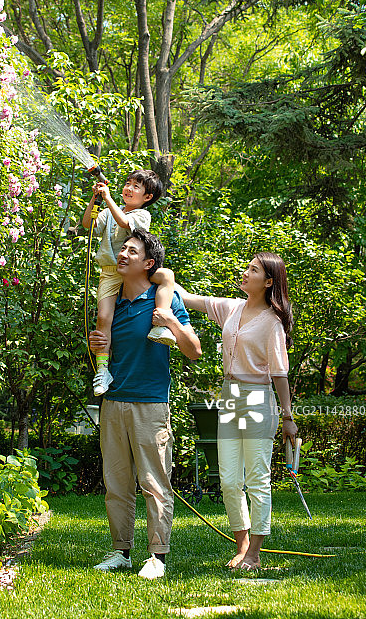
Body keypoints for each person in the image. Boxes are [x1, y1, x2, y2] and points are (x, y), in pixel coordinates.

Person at [89, 228, 201, 579]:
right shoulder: (111, 301)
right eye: (122, 249)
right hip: (114, 402)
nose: (122, 254)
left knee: (154, 483)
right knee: (116, 483)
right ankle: (120, 552)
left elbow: (194, 351)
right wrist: (96, 344)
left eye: (132, 251)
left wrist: (170, 322)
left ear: (148, 263)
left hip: (150, 404)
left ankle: (157, 557)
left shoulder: (163, 299)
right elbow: (105, 347)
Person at [176, 252, 298, 571]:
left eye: (253, 270)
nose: (245, 273)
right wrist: (164, 280)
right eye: (247, 267)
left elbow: (280, 373)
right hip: (230, 395)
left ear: (268, 282)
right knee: (229, 479)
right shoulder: (232, 308)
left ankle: (255, 554)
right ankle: (242, 545)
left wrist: (288, 417)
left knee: (256, 477)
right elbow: (190, 299)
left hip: (258, 398)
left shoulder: (272, 322)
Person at [82, 169, 177, 397]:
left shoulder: (143, 216)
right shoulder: (107, 210)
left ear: (147, 197)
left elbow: (125, 223)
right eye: (128, 183)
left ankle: (160, 324)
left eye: (136, 186)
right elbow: (88, 224)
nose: (129, 188)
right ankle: (103, 370)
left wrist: (107, 197)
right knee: (103, 318)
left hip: (135, 271)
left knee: (165, 276)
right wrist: (95, 198)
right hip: (111, 272)